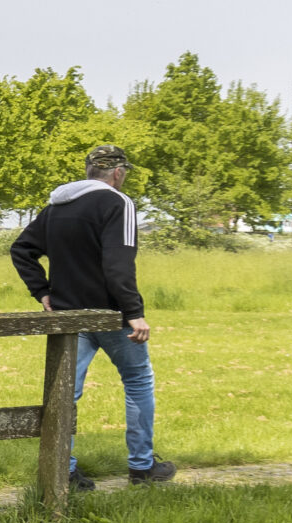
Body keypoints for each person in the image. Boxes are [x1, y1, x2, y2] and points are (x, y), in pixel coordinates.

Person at [11, 144, 175, 490]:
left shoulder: (57, 205)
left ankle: (65, 472)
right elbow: (118, 266)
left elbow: (21, 249)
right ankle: (142, 468)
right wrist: (135, 313)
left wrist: (42, 291)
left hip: (70, 315)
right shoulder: (119, 203)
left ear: (90, 171)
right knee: (138, 381)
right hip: (109, 316)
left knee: (67, 391)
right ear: (118, 173)